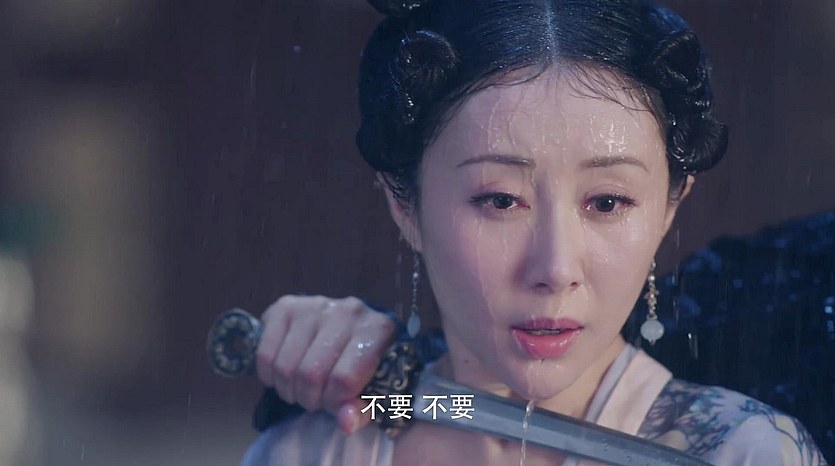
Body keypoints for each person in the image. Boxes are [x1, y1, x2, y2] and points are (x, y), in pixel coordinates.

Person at [241, 0, 829, 464]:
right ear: (404, 203)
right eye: (500, 200)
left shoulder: (740, 450)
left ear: (670, 206)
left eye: (607, 202)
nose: (555, 268)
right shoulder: (315, 448)